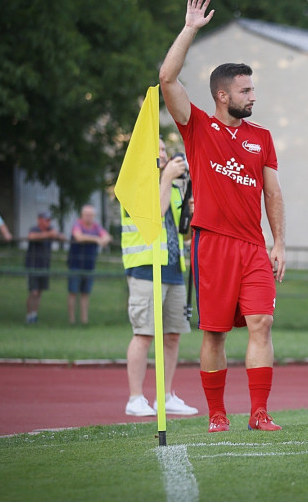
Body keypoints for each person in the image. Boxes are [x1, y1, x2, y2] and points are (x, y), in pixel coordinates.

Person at [158, 0, 287, 432]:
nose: (253, 96)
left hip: (252, 247)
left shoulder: (262, 137)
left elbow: (273, 194)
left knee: (262, 323)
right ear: (221, 94)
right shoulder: (196, 126)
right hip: (211, 244)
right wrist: (191, 28)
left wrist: (279, 243)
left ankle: (259, 413)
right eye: (245, 90)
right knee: (214, 334)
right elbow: (167, 78)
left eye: (253, 89)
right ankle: (217, 413)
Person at [123, 138, 198, 417]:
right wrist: (166, 178)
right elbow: (155, 215)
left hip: (173, 269)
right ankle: (135, 398)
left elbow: (185, 232)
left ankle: (164, 396)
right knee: (144, 334)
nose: (167, 155)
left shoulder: (175, 188)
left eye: (166, 150)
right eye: (160, 151)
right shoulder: (133, 185)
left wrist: (192, 212)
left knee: (172, 335)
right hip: (145, 268)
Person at [67, 204, 112, 325]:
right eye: (87, 215)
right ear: (82, 215)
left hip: (89, 265)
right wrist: (96, 239)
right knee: (73, 292)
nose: (89, 217)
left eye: (91, 215)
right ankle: (71, 320)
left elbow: (107, 237)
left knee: (85, 293)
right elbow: (79, 237)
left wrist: (103, 239)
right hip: (75, 264)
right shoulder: (77, 225)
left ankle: (84, 320)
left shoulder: (96, 227)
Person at [24, 211, 64, 325]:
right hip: (33, 265)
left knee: (39, 292)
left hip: (45, 266)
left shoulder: (51, 229)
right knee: (33, 292)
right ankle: (29, 315)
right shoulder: (35, 229)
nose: (48, 222)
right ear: (39, 220)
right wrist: (48, 234)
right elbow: (31, 237)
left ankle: (34, 315)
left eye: (49, 220)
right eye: (46, 220)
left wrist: (56, 235)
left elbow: (61, 236)